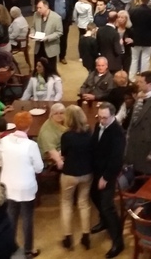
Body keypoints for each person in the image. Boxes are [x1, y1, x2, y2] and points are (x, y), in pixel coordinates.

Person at [0, 111, 43, 258]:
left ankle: (10, 247)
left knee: (11, 217)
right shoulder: (31, 145)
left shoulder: (4, 141)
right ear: (29, 126)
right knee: (27, 218)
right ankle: (28, 249)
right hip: (26, 187)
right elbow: (39, 168)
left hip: (8, 185)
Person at [89, 102, 126, 258]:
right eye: (100, 117)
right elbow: (94, 144)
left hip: (108, 174)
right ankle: (104, 222)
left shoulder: (117, 133)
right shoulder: (99, 125)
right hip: (97, 171)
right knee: (94, 195)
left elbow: (116, 159)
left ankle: (118, 241)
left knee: (107, 206)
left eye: (105, 118)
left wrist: (105, 178)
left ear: (113, 116)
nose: (101, 120)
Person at [56, 105, 94, 251]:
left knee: (66, 203)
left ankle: (68, 238)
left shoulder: (67, 136)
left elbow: (64, 153)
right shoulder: (89, 132)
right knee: (83, 204)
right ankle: (86, 236)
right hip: (87, 173)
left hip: (70, 174)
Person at [125, 71, 151, 175]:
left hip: (146, 150)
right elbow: (134, 120)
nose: (137, 84)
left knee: (143, 179)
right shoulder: (141, 96)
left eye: (141, 82)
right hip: (134, 145)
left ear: (149, 84)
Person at [128, 0, 151, 76]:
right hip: (148, 39)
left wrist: (130, 36)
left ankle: (132, 78)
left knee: (134, 59)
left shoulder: (132, 11)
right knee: (146, 59)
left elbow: (129, 26)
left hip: (135, 39)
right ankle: (144, 78)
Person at [32, 0, 64, 68]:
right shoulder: (36, 15)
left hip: (50, 47)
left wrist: (47, 38)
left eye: (40, 8)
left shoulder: (56, 18)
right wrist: (32, 33)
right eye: (37, 8)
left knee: (50, 68)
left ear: (46, 7)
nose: (38, 10)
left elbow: (59, 32)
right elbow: (33, 27)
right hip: (39, 47)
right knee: (37, 67)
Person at [48, 0, 73, 64]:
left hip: (64, 22)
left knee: (63, 40)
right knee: (53, 39)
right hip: (53, 22)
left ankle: (62, 56)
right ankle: (52, 56)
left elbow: (70, 8)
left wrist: (69, 21)